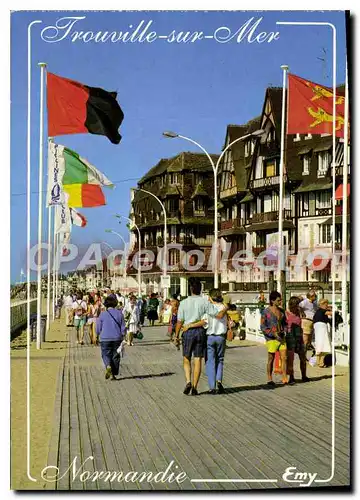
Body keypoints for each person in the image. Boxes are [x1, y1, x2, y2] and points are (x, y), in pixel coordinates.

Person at [174, 277, 229, 396]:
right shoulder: (205, 302)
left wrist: (176, 336)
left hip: (187, 331)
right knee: (198, 359)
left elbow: (179, 322)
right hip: (200, 332)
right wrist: (226, 308)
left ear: (190, 289)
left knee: (186, 358)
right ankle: (194, 387)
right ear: (200, 289)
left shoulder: (183, 303)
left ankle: (188, 381)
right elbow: (217, 314)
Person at [260, 291, 288, 386]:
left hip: (282, 338)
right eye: (278, 300)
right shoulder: (266, 312)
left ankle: (284, 377)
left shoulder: (282, 311)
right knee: (271, 359)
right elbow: (263, 326)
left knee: (284, 358)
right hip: (271, 339)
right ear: (272, 300)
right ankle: (269, 378)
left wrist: (284, 331)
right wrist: (273, 334)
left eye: (280, 300)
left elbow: (285, 323)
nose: (280, 302)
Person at [204, 289, 228, 394]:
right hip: (221, 336)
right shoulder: (223, 307)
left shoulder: (208, 308)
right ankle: (219, 380)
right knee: (220, 360)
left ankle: (211, 386)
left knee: (210, 361)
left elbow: (205, 323)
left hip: (210, 336)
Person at [96, 295, 126, 380]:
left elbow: (98, 328)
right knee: (115, 356)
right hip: (117, 338)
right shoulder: (119, 314)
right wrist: (123, 335)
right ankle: (113, 374)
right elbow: (123, 327)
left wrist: (98, 334)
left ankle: (108, 366)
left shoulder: (102, 314)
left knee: (105, 354)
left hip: (105, 338)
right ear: (115, 304)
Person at [285, 296, 309, 384]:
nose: (297, 307)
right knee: (290, 359)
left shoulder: (299, 312)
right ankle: (291, 377)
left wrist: (301, 309)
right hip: (290, 337)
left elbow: (304, 315)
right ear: (292, 305)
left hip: (299, 336)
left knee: (303, 357)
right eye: (296, 306)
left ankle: (304, 376)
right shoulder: (286, 313)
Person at [313, 298, 332, 368]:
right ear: (322, 304)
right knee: (324, 344)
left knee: (320, 345)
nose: (327, 305)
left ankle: (319, 362)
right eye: (326, 304)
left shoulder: (318, 311)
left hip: (318, 328)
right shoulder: (322, 311)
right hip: (322, 328)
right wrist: (332, 310)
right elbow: (331, 313)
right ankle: (321, 362)